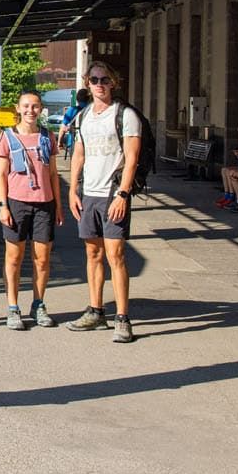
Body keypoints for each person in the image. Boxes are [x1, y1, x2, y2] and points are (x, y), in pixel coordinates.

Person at [67, 61, 142, 343]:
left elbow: (132, 158)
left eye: (105, 80)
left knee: (116, 256)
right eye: (95, 79)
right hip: (89, 194)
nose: (100, 84)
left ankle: (122, 317)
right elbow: (79, 154)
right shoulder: (84, 116)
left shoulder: (125, 115)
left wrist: (123, 193)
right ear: (87, 82)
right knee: (93, 254)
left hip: (113, 194)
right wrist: (73, 189)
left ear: (114, 83)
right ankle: (95, 310)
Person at [0, 90, 63, 329]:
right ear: (18, 108)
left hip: (44, 203)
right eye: (25, 106)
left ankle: (38, 304)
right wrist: (3, 206)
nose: (30, 111)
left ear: (41, 108)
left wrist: (58, 205)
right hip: (16, 202)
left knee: (42, 259)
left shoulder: (48, 137)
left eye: (35, 106)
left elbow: (53, 174)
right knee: (14, 258)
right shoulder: (7, 137)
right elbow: (1, 175)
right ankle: (13, 307)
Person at [57, 87, 90, 157]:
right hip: (90, 145)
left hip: (74, 144)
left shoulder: (72, 110)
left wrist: (60, 143)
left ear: (77, 99)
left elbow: (63, 129)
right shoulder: (92, 111)